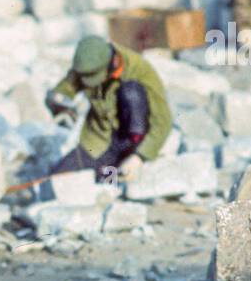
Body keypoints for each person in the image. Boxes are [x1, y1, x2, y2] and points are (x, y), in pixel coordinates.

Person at [45, 35, 172, 179]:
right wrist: (60, 106)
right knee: (56, 181)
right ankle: (106, 174)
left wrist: (140, 157)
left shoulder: (140, 70)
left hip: (131, 144)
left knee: (131, 92)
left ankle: (121, 169)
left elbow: (162, 121)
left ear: (112, 62)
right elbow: (62, 92)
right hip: (98, 141)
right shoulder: (86, 65)